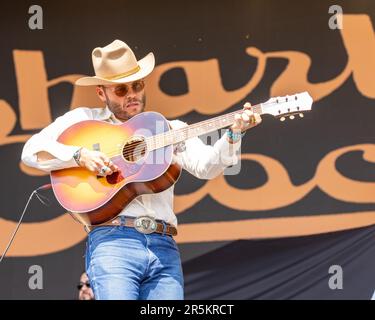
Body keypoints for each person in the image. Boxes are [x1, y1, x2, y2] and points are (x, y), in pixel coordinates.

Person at [21, 39, 262, 300]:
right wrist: (79, 156)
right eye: (121, 90)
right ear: (102, 93)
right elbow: (31, 151)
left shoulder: (168, 128)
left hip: (164, 245)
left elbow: (207, 167)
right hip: (113, 243)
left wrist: (234, 134)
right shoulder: (84, 121)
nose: (132, 94)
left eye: (137, 86)